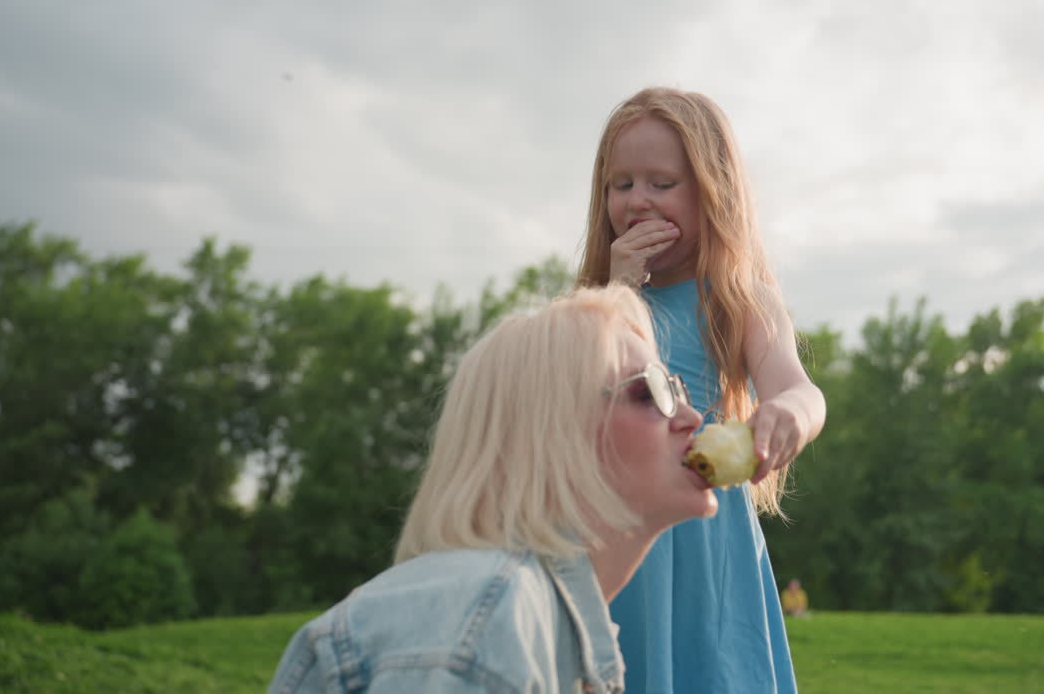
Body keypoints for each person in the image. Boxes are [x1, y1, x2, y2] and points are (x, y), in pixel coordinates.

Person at [268, 285, 717, 694]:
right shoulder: (486, 622)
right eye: (651, 391)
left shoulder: (527, 619)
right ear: (551, 431)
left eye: (677, 389)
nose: (691, 418)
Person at [576, 86, 828, 693]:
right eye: (622, 183)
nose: (637, 200)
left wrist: (791, 413)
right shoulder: (590, 308)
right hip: (605, 535)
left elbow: (799, 387)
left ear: (711, 191)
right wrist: (618, 295)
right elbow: (572, 408)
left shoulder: (738, 301)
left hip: (705, 537)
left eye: (661, 184)